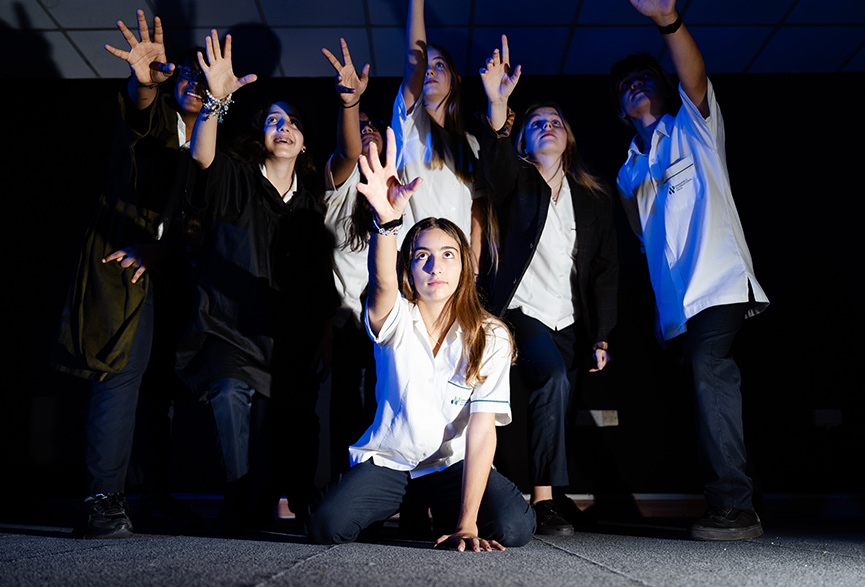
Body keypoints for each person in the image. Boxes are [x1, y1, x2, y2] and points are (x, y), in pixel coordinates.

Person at [306, 129, 536, 551]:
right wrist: (386, 222)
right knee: (325, 526)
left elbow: (482, 429)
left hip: (450, 467)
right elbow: (381, 284)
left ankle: (449, 513)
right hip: (391, 462)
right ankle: (397, 505)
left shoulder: (491, 335)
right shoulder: (395, 317)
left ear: (464, 266)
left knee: (514, 528)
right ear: (409, 269)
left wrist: (467, 523)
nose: (435, 266)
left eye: (448, 254)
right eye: (422, 256)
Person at [611, 0, 769, 541]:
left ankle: (735, 506)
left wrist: (667, 22)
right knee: (703, 391)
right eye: (626, 85)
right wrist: (663, 313)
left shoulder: (693, 129)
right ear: (621, 110)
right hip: (677, 307)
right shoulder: (628, 173)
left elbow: (694, 77)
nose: (636, 85)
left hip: (720, 282)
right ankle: (738, 496)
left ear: (664, 88)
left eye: (645, 78)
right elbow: (646, 243)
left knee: (709, 369)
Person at [51, 9, 205, 539]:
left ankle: (154, 495)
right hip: (126, 267)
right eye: (185, 75)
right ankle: (102, 501)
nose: (193, 84)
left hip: (174, 277)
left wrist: (170, 251)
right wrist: (144, 85)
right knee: (120, 372)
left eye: (203, 79)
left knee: (160, 388)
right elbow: (137, 118)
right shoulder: (158, 123)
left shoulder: (212, 149)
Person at [176, 30, 337, 530]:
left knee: (289, 423)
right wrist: (215, 103)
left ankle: (287, 497)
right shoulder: (236, 177)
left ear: (304, 143)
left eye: (292, 123)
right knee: (228, 393)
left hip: (285, 340)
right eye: (273, 120)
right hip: (228, 329)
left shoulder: (311, 207)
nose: (282, 127)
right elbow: (201, 157)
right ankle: (236, 495)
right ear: (262, 136)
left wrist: (321, 334)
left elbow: (318, 281)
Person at [479, 37, 618, 536]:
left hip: (571, 319)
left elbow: (604, 268)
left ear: (569, 138)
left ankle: (548, 496)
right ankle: (542, 502)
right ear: (525, 140)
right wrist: (498, 104)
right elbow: (494, 169)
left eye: (555, 121)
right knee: (552, 380)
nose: (547, 126)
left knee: (560, 401)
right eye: (537, 123)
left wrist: (602, 334)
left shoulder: (593, 198)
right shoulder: (516, 181)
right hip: (523, 312)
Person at [320, 38, 398, 477]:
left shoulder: (395, 183)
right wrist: (351, 104)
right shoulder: (341, 175)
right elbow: (350, 149)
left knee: (384, 405)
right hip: (345, 317)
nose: (366, 131)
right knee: (347, 406)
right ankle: (344, 489)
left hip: (387, 316)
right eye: (359, 126)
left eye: (373, 126)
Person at [393, 0, 487, 266]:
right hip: (417, 262)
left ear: (455, 81)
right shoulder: (409, 125)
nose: (429, 71)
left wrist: (474, 267)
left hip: (458, 265)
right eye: (426, 66)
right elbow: (415, 65)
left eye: (439, 65)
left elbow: (477, 210)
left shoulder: (471, 143)